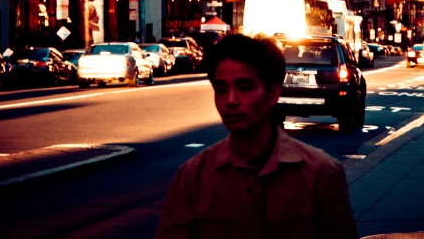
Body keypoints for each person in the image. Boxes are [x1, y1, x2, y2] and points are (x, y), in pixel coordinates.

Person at [153, 34, 358, 239]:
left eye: (244, 88)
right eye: (221, 89)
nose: (231, 101)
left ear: (273, 93)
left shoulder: (321, 175)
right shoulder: (192, 177)